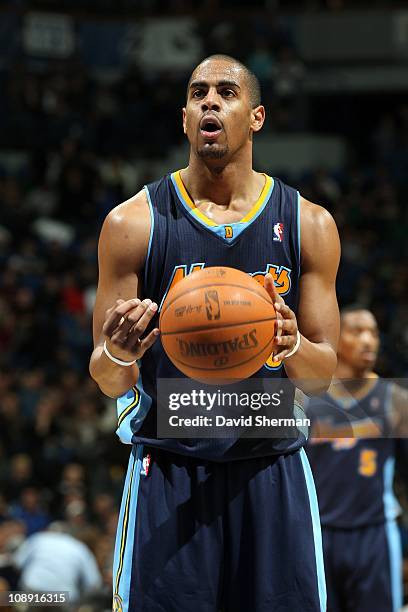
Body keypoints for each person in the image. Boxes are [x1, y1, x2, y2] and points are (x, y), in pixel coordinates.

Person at [89, 54, 340, 612]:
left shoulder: (309, 225)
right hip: (168, 467)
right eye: (199, 92)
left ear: (255, 116)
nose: (210, 101)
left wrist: (291, 344)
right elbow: (106, 381)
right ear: (184, 118)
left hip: (272, 465)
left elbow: (324, 380)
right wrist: (117, 352)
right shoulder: (133, 224)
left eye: (226, 92)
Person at [306, 306, 408, 612]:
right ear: (337, 339)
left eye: (374, 333)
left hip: (374, 533)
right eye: (357, 331)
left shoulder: (395, 399)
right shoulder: (308, 398)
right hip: (318, 535)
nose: (369, 341)